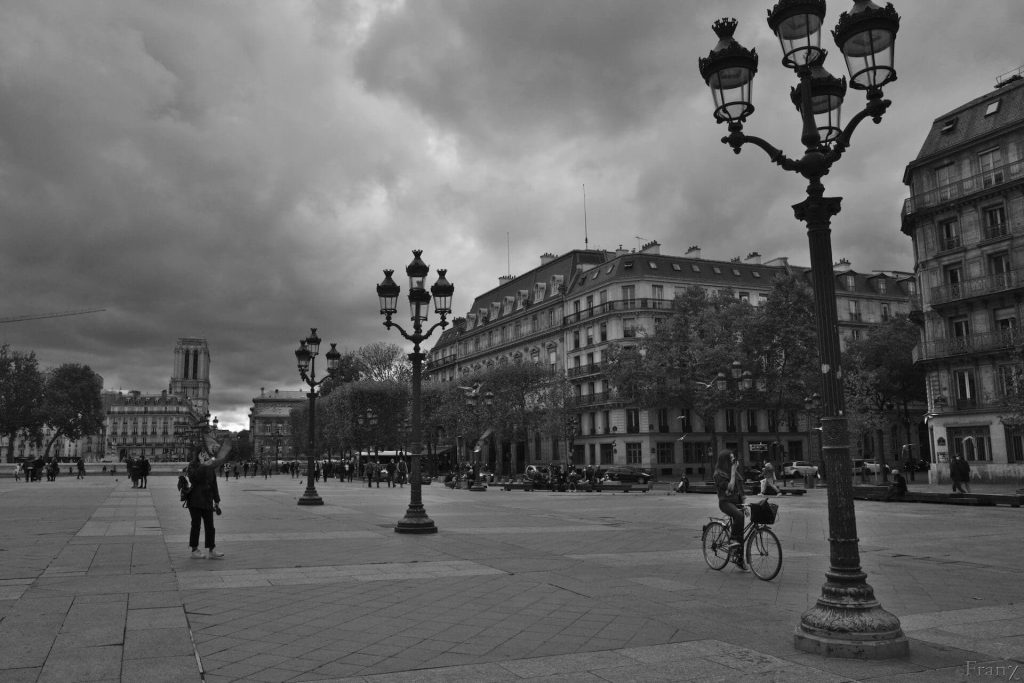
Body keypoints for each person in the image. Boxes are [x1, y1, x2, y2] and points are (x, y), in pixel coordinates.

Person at [186, 433, 232, 560]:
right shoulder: (193, 465)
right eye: (203, 453)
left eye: (206, 453)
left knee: (210, 526)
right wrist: (203, 465)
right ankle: (194, 549)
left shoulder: (210, 466)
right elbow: (194, 479)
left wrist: (217, 500)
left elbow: (213, 484)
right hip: (195, 500)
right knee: (196, 525)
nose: (206, 455)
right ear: (198, 454)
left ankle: (212, 549)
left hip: (207, 500)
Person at [713, 449, 746, 570]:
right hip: (725, 502)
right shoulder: (718, 474)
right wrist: (732, 472)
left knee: (741, 532)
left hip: (737, 502)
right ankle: (732, 540)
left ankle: (739, 559)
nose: (733, 461)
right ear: (724, 460)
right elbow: (730, 488)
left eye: (733, 458)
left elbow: (741, 491)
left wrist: (744, 504)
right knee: (739, 516)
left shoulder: (735, 473)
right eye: (731, 459)